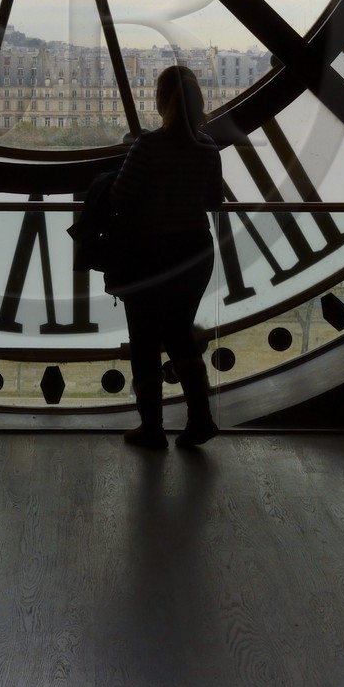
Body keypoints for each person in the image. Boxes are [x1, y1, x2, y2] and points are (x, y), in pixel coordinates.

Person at [108, 65, 223, 450]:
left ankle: (152, 426)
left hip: (151, 253)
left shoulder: (148, 146)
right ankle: (200, 417)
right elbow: (212, 201)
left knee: (144, 339)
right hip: (194, 250)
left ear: (159, 100)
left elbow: (119, 198)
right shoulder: (207, 147)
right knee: (178, 332)